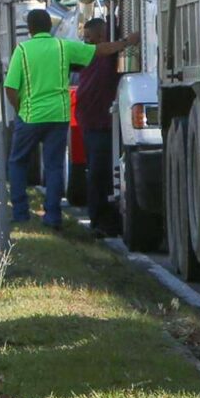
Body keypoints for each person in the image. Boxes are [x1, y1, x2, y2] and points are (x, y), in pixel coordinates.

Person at [6, 7, 128, 232]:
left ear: (30, 29)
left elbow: (11, 87)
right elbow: (99, 51)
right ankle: (53, 217)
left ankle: (20, 213)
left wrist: (20, 108)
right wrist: (126, 42)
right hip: (58, 116)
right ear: (49, 27)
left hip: (30, 115)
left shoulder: (22, 50)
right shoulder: (63, 46)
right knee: (54, 167)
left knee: (17, 162)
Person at [73, 18, 124, 237]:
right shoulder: (93, 53)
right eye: (85, 38)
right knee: (97, 172)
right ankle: (99, 220)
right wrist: (127, 41)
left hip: (103, 120)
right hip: (93, 121)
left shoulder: (109, 54)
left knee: (101, 172)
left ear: (102, 36)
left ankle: (105, 219)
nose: (87, 42)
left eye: (90, 38)